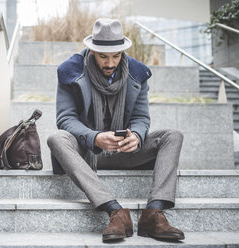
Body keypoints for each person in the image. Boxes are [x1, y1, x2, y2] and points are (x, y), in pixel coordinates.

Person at [47, 18, 185, 242]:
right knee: (56, 138)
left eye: (116, 55)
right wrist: (95, 138)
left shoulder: (137, 73)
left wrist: (137, 136)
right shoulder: (70, 71)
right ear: (92, 51)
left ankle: (154, 213)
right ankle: (115, 212)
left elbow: (141, 117)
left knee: (173, 136)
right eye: (103, 56)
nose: (110, 62)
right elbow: (65, 119)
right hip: (87, 153)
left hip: (124, 151)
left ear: (122, 51)